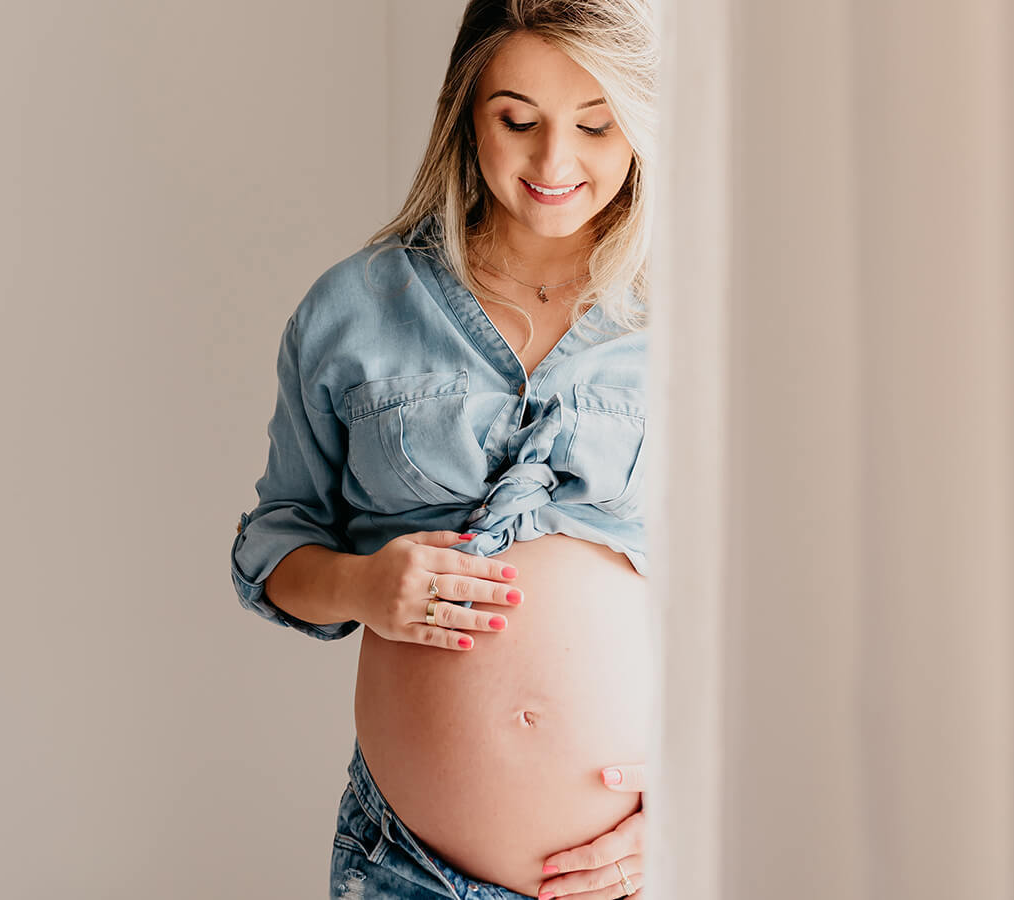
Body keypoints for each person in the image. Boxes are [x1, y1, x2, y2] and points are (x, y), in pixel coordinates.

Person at [229, 1, 656, 897]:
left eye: (595, 122)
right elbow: (276, 545)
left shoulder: (702, 307)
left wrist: (688, 816)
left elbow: (781, 599)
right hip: (404, 867)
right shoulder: (354, 307)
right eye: (518, 119)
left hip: (635, 872)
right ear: (467, 110)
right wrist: (364, 585)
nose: (554, 162)